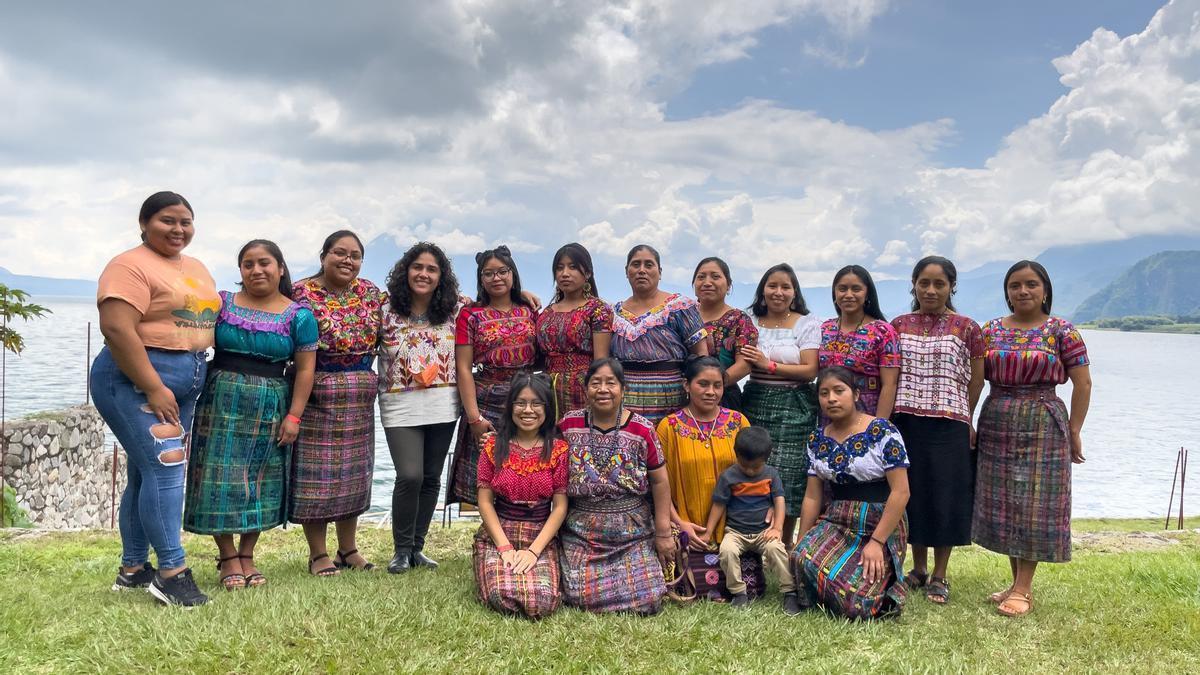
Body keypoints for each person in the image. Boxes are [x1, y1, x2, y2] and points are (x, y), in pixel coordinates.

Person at [92, 191, 218, 607]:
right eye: (168, 220)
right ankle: (171, 572)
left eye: (186, 221)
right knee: (166, 468)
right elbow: (117, 328)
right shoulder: (128, 265)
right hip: (135, 380)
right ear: (144, 224)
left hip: (184, 380)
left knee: (145, 473)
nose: (178, 229)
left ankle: (132, 568)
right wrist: (153, 386)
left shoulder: (196, 267)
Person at [184, 240, 317, 590]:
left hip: (272, 402)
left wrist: (295, 417)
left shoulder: (299, 316)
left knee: (259, 479)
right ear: (240, 270)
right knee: (219, 478)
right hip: (221, 399)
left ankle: (247, 554)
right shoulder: (223, 303)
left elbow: (305, 371)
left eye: (265, 263)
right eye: (248, 264)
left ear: (281, 268)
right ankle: (227, 556)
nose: (256, 270)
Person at [974, 261, 1091, 618]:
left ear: (1045, 290)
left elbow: (1083, 383)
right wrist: (968, 420)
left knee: (1035, 503)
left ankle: (1023, 588)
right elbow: (976, 381)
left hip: (1043, 419)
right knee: (1007, 501)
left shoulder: (1062, 331)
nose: (1022, 291)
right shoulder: (990, 330)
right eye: (1015, 285)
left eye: (1031, 284)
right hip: (996, 417)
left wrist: (1074, 430)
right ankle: (1015, 583)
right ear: (1007, 292)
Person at [890, 256, 984, 605]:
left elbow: (977, 379)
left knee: (945, 496)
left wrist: (967, 417)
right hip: (906, 421)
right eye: (924, 282)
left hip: (950, 424)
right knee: (912, 494)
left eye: (939, 283)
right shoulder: (898, 324)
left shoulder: (968, 328)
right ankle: (917, 569)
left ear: (951, 287)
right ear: (913, 284)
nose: (931, 290)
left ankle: (940, 575)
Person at [291, 230, 385, 575]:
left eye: (355, 255)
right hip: (315, 389)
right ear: (323, 256)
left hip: (360, 394)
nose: (348, 260)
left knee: (354, 474)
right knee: (317, 474)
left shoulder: (371, 293)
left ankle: (349, 549)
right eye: (340, 253)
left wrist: (518, 293)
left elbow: (415, 304)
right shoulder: (300, 292)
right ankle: (318, 553)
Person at [557, 358, 677, 614]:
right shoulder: (568, 424)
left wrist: (664, 532)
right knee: (578, 596)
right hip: (581, 530)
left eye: (610, 383)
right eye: (595, 383)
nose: (603, 389)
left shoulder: (643, 429)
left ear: (623, 389)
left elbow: (660, 480)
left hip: (632, 531)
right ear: (586, 388)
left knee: (648, 599)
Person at [792, 367, 911, 619]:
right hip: (837, 519)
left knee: (855, 601)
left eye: (838, 391)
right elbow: (813, 497)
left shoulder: (882, 431)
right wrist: (800, 541)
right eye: (824, 393)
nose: (831, 398)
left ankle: (880, 588)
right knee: (802, 558)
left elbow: (901, 492)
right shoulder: (817, 439)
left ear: (856, 394)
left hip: (878, 523)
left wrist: (877, 542)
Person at [377, 242, 464, 573]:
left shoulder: (456, 310)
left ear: (441, 277)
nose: (424, 274)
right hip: (399, 403)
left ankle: (417, 548)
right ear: (405, 271)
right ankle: (400, 550)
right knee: (409, 475)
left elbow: (494, 301)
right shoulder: (384, 311)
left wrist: (524, 294)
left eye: (432, 269)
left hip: (444, 403)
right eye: (418, 267)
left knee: (430, 477)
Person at [473, 373, 569, 619]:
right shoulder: (493, 446)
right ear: (510, 406)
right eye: (520, 403)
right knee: (501, 594)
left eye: (536, 403)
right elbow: (484, 501)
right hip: (499, 533)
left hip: (540, 535)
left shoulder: (558, 450)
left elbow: (559, 507)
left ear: (547, 408)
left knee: (542, 599)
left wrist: (534, 552)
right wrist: (504, 548)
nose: (528, 410)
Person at [448, 245, 538, 506]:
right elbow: (463, 368)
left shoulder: (529, 309)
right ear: (481, 279)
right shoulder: (470, 315)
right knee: (486, 474)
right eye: (488, 273)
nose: (496, 278)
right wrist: (474, 418)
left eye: (502, 271)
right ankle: (488, 537)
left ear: (513, 274)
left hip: (526, 398)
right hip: (486, 400)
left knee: (526, 469)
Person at [739, 264, 820, 549]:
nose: (778, 292)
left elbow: (811, 370)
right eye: (772, 285)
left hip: (795, 405)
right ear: (762, 290)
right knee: (753, 470)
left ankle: (784, 543)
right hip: (755, 400)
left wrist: (768, 364)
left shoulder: (806, 323)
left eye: (785, 286)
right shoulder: (748, 321)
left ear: (794, 292)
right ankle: (751, 542)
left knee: (790, 475)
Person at [699, 426, 800, 614]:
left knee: (776, 550)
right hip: (736, 532)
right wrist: (708, 531)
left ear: (765, 459)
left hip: (763, 532)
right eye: (745, 465)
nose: (750, 471)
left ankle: (790, 592)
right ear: (736, 455)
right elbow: (719, 505)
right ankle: (739, 593)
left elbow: (779, 501)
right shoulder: (728, 476)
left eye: (756, 467)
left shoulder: (771, 474)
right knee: (727, 551)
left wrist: (777, 528)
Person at [611, 245, 708, 426]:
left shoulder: (679, 307)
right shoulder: (614, 313)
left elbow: (701, 355)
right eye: (636, 265)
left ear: (660, 272)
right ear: (626, 271)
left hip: (670, 397)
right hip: (624, 397)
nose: (642, 270)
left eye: (649, 265)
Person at [658, 356, 749, 547]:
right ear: (686, 385)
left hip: (736, 529)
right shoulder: (669, 427)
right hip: (687, 529)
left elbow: (756, 474)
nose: (711, 392)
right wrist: (679, 523)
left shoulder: (738, 422)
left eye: (717, 385)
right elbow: (659, 484)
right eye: (703, 384)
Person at [536, 242, 612, 421]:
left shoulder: (598, 309)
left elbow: (600, 361)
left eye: (572, 267)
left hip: (582, 388)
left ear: (587, 273)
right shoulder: (547, 312)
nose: (564, 274)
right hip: (546, 388)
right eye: (559, 268)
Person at [819, 265, 900, 418]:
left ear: (867, 293)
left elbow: (890, 385)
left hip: (866, 413)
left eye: (856, 289)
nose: (848, 295)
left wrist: (878, 426)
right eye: (842, 289)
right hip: (829, 413)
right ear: (834, 294)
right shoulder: (824, 329)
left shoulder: (883, 332)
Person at [692, 257, 757, 411]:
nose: (707, 282)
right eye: (701, 277)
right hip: (683, 396)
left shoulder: (739, 320)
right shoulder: (683, 316)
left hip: (725, 399)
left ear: (728, 285)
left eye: (715, 277)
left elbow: (745, 365)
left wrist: (711, 388)